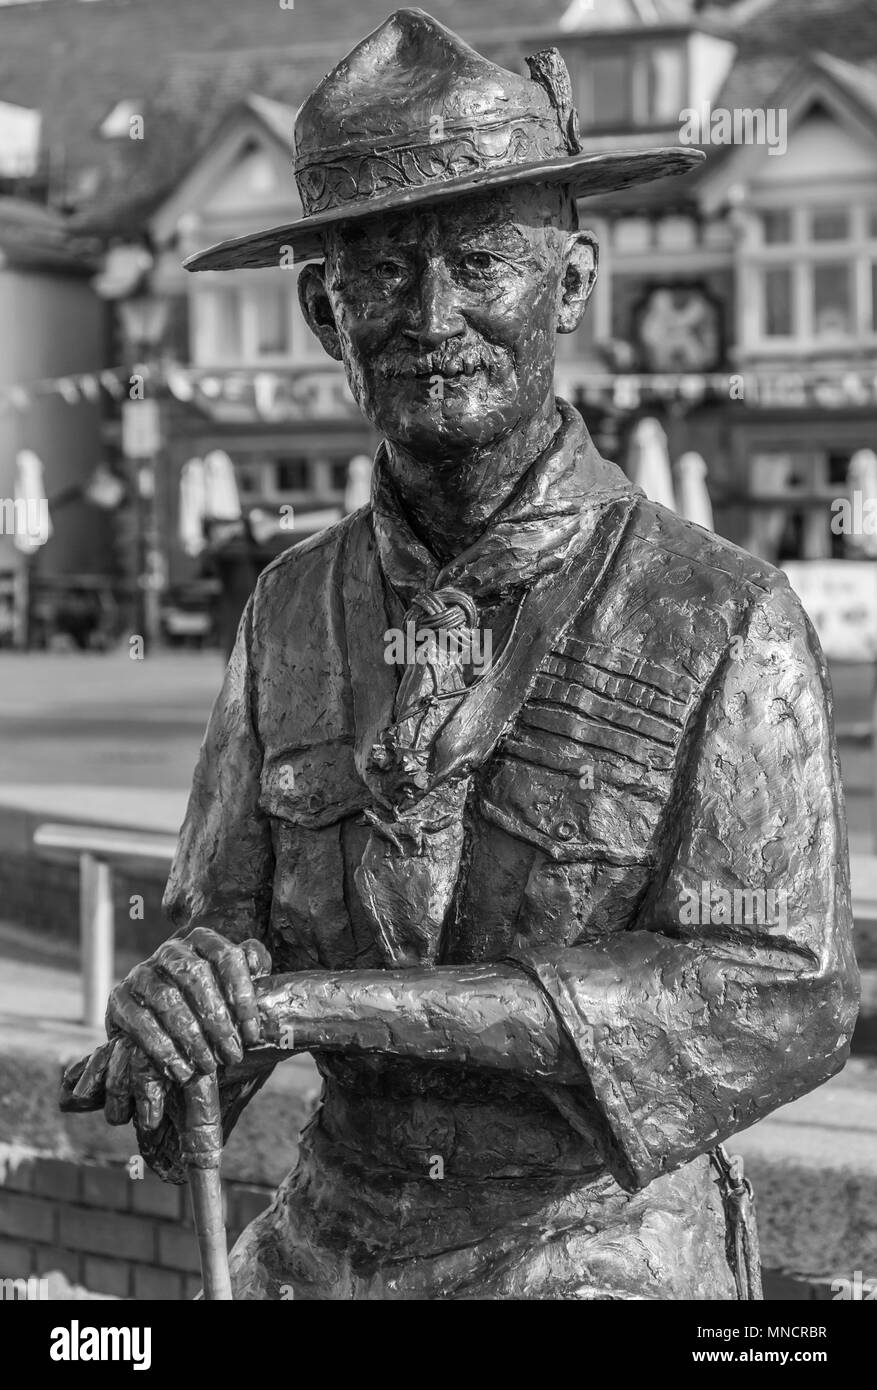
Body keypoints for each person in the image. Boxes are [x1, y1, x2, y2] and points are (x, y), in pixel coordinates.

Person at [63, 10, 858, 1299]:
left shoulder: (720, 615)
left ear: (574, 282)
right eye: (381, 274)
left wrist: (318, 1010)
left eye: (484, 261)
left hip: (600, 1255)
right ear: (325, 308)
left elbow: (780, 994)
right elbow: (224, 947)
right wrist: (182, 1009)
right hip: (325, 1252)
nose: (436, 315)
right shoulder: (285, 615)